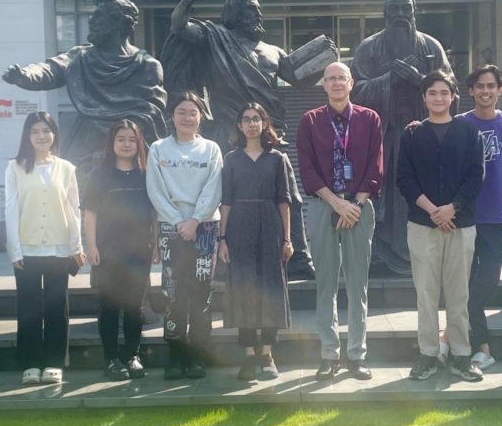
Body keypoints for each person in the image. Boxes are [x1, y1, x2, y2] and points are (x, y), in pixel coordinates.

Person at [164, 0, 334, 280]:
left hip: (268, 133)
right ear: (232, 15)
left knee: (289, 196)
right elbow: (179, 26)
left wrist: (323, 58)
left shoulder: (272, 51)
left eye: (257, 11)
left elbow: (297, 78)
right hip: (229, 128)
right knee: (224, 197)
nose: (256, 16)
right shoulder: (213, 38)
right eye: (248, 11)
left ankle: (298, 258)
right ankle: (221, 257)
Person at [351, 0, 453, 274]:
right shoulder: (369, 48)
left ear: (414, 11)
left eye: (404, 9)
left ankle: (421, 254)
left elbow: (450, 88)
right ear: (384, 13)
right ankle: (382, 253)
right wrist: (388, 80)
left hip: (424, 138)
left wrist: (419, 80)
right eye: (393, 9)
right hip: (385, 136)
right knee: (386, 195)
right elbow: (354, 91)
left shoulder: (431, 47)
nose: (399, 15)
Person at [1, 0, 167, 167]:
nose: (91, 21)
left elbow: (149, 116)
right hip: (87, 145)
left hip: (131, 151)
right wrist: (24, 75)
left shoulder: (147, 66)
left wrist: (118, 145)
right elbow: (51, 69)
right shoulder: (80, 57)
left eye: (98, 17)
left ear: (117, 23)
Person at [296, 61, 383, 381]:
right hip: (323, 205)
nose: (336, 83)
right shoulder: (310, 121)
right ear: (323, 84)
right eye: (330, 79)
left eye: (341, 78)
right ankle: (329, 354)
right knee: (326, 284)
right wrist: (335, 203)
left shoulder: (369, 118)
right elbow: (306, 169)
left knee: (358, 285)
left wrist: (354, 204)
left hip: (360, 206)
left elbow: (376, 167)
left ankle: (357, 355)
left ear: (351, 83)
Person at [397, 70, 485, 382]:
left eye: (444, 93)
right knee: (426, 294)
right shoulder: (411, 134)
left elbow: (476, 175)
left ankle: (461, 356)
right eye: (432, 93)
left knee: (459, 293)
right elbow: (404, 179)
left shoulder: (469, 132)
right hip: (423, 224)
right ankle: (428, 355)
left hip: (460, 225)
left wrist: (452, 208)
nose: (438, 98)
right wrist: (434, 210)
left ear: (453, 96)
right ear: (424, 98)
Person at [456, 65, 502, 372]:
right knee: (461, 283)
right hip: (461, 218)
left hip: (494, 218)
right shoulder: (459, 124)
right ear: (471, 91)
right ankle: (481, 348)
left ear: (500, 90)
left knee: (486, 281)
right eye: (480, 86)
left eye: (491, 86)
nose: (486, 91)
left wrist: (496, 190)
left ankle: (453, 334)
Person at [147, 92, 223, 380]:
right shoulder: (158, 149)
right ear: (172, 116)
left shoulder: (211, 149)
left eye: (193, 112)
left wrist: (195, 220)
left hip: (204, 229)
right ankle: (176, 355)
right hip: (170, 228)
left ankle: (198, 357)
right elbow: (155, 190)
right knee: (173, 294)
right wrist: (179, 221)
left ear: (200, 116)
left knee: (202, 294)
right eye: (181, 111)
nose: (187, 117)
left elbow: (214, 188)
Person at [5, 112, 84, 385]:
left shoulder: (66, 168)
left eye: (46, 131)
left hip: (59, 249)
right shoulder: (15, 167)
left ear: (54, 135)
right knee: (28, 308)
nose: (41, 136)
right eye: (36, 131)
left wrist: (77, 246)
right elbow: (11, 209)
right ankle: (29, 362)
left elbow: (74, 210)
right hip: (26, 249)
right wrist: (14, 250)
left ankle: (53, 362)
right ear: (27, 136)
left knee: (55, 307)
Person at [218, 103, 293, 382]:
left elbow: (284, 202)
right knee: (244, 288)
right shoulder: (231, 159)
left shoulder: (276, 159)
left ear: (264, 123)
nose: (252, 124)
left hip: (270, 226)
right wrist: (222, 239)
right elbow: (225, 202)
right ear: (239, 125)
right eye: (246, 119)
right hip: (239, 226)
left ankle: (267, 353)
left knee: (270, 287)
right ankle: (249, 355)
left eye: (257, 119)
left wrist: (287, 238)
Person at [83, 119, 155, 381]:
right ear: (112, 143)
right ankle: (111, 358)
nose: (126, 144)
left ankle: (132, 356)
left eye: (132, 139)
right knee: (110, 306)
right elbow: (90, 213)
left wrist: (156, 244)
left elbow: (154, 212)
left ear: (139, 143)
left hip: (139, 251)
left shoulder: (147, 174)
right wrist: (91, 245)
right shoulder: (99, 175)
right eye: (121, 139)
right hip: (108, 251)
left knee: (135, 307)